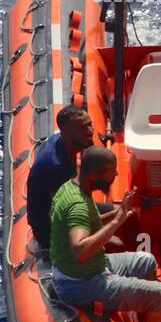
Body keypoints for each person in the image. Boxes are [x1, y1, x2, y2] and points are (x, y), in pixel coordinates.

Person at [49, 145, 161, 322]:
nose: (116, 173)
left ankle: (147, 318)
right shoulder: (77, 205)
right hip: (81, 284)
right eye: (111, 171)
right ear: (95, 175)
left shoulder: (71, 188)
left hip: (94, 267)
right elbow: (79, 250)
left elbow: (90, 221)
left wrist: (119, 213)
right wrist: (116, 224)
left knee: (146, 260)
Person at [26, 105, 95, 251]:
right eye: (83, 128)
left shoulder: (61, 140)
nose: (90, 131)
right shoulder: (57, 168)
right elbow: (64, 213)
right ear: (67, 133)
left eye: (90, 125)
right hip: (50, 230)